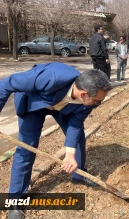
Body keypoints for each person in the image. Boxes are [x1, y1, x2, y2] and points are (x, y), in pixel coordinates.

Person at [0, 62, 112, 219]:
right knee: (26, 149)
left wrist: (70, 155)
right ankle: (15, 201)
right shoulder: (50, 78)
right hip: (34, 103)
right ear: (84, 94)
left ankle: (79, 174)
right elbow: (6, 83)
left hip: (63, 108)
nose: (98, 104)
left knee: (77, 137)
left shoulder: (88, 102)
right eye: (97, 101)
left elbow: (75, 124)